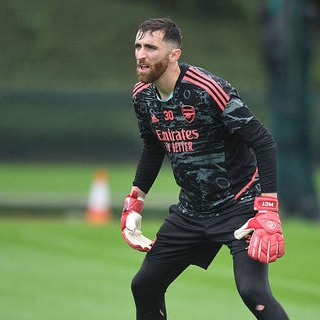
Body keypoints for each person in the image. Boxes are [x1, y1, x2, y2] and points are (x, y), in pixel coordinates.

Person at [121, 17, 289, 320]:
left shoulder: (208, 89)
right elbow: (152, 147)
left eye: (150, 47)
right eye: (138, 46)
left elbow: (263, 142)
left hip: (239, 206)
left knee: (254, 293)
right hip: (191, 210)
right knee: (144, 284)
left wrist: (267, 208)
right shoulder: (142, 96)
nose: (141, 55)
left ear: (174, 54)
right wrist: (135, 200)